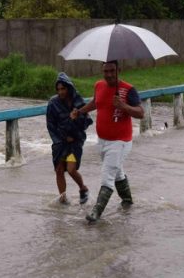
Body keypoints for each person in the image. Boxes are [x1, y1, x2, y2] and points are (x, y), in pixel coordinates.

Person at [71, 60, 144, 222]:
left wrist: (123, 106)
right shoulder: (99, 85)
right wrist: (80, 111)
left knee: (107, 175)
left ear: (119, 70)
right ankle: (127, 201)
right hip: (102, 140)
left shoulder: (128, 89)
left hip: (120, 141)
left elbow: (140, 112)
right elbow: (96, 103)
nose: (109, 75)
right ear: (102, 71)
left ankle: (96, 212)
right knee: (117, 172)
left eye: (112, 71)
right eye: (106, 71)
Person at [46, 72, 92, 205]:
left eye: (63, 89)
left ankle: (83, 188)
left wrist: (76, 118)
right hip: (60, 143)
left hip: (74, 143)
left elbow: (85, 123)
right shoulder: (53, 103)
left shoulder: (78, 102)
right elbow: (51, 126)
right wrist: (61, 139)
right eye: (58, 89)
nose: (61, 92)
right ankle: (63, 198)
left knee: (71, 169)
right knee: (59, 169)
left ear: (69, 88)